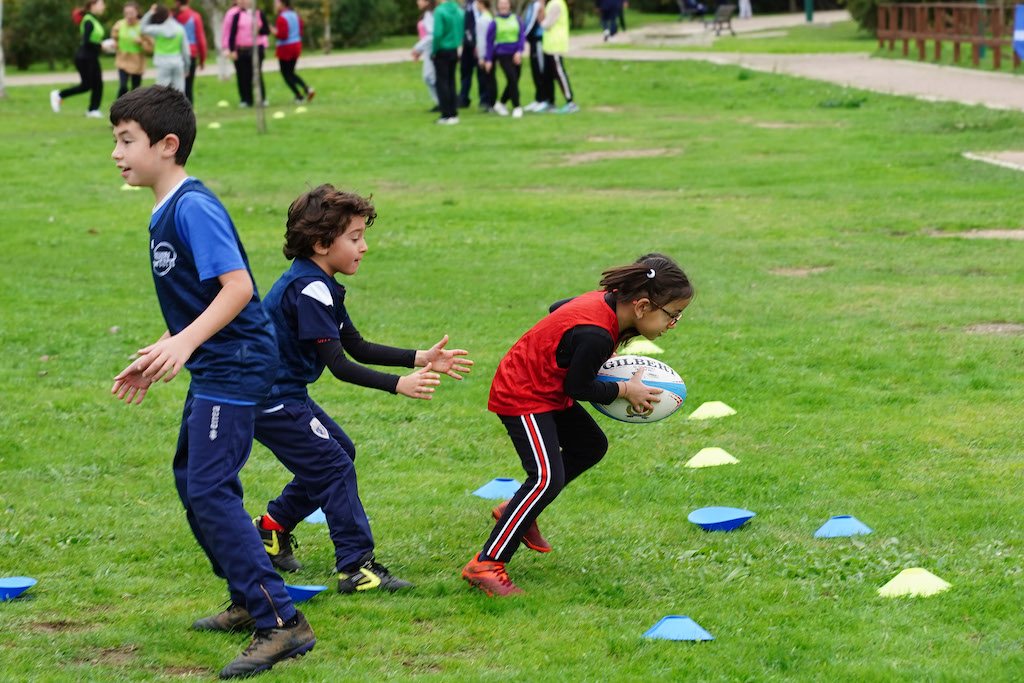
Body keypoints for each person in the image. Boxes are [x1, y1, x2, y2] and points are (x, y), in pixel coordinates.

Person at [108, 85, 315, 678]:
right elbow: (198, 300)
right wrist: (163, 352)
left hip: (238, 362)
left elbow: (239, 288)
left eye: (127, 141)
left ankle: (281, 621)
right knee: (191, 480)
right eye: (115, 141)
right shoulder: (164, 209)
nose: (117, 153)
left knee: (209, 489)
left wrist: (185, 341)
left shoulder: (192, 206)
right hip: (216, 363)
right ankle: (251, 601)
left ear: (167, 145)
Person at [250, 184, 473, 594]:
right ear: (320, 244)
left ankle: (272, 528)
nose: (364, 246)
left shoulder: (320, 282)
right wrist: (398, 385)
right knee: (333, 466)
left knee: (338, 454)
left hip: (283, 394)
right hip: (270, 400)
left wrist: (420, 357)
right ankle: (356, 567)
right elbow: (339, 365)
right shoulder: (310, 289)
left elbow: (355, 345)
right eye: (354, 238)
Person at [461, 253, 694, 596]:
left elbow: (560, 307)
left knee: (590, 445)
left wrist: (589, 353)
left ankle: (515, 512)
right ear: (642, 307)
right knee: (546, 478)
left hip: (548, 388)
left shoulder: (606, 303)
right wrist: (626, 388)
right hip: (524, 394)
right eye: (672, 315)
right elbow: (580, 388)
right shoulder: (596, 333)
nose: (673, 324)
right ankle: (486, 564)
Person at [51, 0, 107, 118]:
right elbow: (86, 42)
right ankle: (59, 94)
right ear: (93, 5)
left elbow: (93, 40)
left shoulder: (93, 20)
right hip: (84, 57)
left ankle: (93, 110)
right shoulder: (88, 20)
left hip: (92, 56)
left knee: (98, 84)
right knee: (86, 86)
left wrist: (102, 45)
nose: (103, 7)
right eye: (101, 4)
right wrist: (101, 46)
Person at [222, 0, 270, 107]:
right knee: (243, 76)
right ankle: (246, 100)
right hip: (242, 49)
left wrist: (260, 31)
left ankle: (262, 99)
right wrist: (231, 49)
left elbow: (266, 31)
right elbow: (231, 34)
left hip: (256, 48)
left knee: (257, 74)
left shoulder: (258, 14)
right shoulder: (236, 15)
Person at [484, 0, 525, 118]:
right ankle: (517, 106)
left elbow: (521, 36)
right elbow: (489, 42)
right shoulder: (495, 22)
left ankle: (501, 103)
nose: (503, 6)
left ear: (509, 5)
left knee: (515, 80)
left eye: (505, 4)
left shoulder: (516, 19)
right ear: (498, 6)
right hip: (502, 54)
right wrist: (488, 59)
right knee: (512, 79)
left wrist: (519, 51)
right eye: (501, 4)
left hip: (515, 54)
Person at [141, 4, 191, 93]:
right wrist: (187, 67)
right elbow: (186, 51)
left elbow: (142, 28)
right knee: (179, 92)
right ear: (169, 14)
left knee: (162, 92)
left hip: (162, 63)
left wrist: (150, 13)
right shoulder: (180, 29)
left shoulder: (158, 30)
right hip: (177, 62)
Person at [538, 0, 577, 113]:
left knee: (559, 74)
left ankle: (570, 102)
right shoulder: (552, 3)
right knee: (548, 76)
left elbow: (546, 24)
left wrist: (540, 10)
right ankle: (550, 102)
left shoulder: (556, 4)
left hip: (555, 45)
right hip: (549, 45)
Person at [274, 0, 314, 103]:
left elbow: (282, 35)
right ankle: (306, 89)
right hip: (296, 45)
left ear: (283, 4)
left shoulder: (282, 18)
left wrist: (273, 31)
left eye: (276, 3)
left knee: (286, 74)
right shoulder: (295, 15)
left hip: (286, 48)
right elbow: (301, 30)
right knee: (291, 72)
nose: (275, 5)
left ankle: (299, 95)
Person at [432, 0, 464, 124]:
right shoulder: (459, 11)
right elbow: (461, 31)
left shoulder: (439, 11)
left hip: (442, 49)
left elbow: (438, 34)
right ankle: (453, 113)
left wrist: (434, 50)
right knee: (451, 82)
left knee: (442, 83)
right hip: (454, 49)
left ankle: (446, 114)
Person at [172, 0, 208, 104]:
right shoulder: (194, 16)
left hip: (174, 54)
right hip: (190, 53)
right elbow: (201, 40)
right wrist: (202, 59)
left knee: (173, 87)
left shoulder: (171, 16)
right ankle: (188, 114)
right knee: (188, 87)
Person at [112, 2, 147, 99]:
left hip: (137, 60)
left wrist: (141, 42)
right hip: (123, 59)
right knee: (123, 86)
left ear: (137, 12)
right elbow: (114, 37)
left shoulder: (142, 26)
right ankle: (117, 107)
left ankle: (135, 110)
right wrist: (115, 43)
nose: (129, 16)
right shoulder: (120, 24)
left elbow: (150, 46)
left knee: (136, 89)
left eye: (131, 13)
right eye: (126, 13)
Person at [412, 0, 438, 111]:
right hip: (427, 49)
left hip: (432, 50)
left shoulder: (429, 14)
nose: (417, 2)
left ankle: (442, 102)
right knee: (429, 77)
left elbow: (431, 35)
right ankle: (442, 101)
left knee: (430, 77)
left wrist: (417, 47)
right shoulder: (427, 14)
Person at [521, 0, 545, 112]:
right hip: (533, 42)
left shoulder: (537, 5)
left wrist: (523, 37)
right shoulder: (532, 5)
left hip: (538, 41)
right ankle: (538, 98)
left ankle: (543, 99)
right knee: (535, 70)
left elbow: (532, 24)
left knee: (540, 70)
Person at [474, 0, 495, 113]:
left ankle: (490, 103)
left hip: (486, 53)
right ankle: (491, 103)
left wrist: (482, 57)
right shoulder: (490, 17)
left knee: (488, 79)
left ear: (481, 3)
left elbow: (482, 40)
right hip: (492, 52)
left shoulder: (482, 20)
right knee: (491, 78)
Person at [457, 0, 477, 108]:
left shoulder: (476, 4)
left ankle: (484, 99)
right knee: (465, 72)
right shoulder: (466, 5)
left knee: (481, 74)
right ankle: (463, 97)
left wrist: (475, 42)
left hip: (475, 44)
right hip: (466, 45)